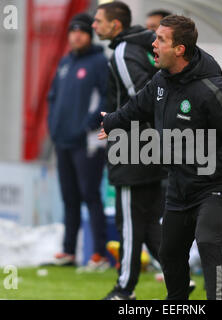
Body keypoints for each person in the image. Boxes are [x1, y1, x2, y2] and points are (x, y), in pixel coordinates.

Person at [98, 14, 222, 300]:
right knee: (169, 252)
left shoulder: (214, 89)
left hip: (216, 184)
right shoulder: (161, 81)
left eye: (160, 39)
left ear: (179, 49)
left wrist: (213, 167)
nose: (153, 44)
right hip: (181, 182)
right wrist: (111, 122)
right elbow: (137, 107)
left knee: (207, 241)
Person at [92, 1, 167, 300]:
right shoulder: (144, 45)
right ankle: (179, 277)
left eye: (99, 21)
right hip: (149, 146)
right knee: (148, 221)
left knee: (129, 224)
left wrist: (114, 123)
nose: (94, 25)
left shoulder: (123, 52)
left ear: (116, 25)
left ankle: (125, 289)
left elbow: (142, 98)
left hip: (131, 147)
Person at [48, 13, 109, 269]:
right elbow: (52, 99)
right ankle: (69, 251)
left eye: (82, 31)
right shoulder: (65, 62)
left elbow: (108, 98)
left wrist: (88, 125)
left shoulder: (99, 62)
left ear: (89, 34)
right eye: (73, 31)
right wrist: (53, 127)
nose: (76, 35)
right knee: (69, 197)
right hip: (63, 141)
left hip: (88, 142)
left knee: (90, 195)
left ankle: (99, 254)